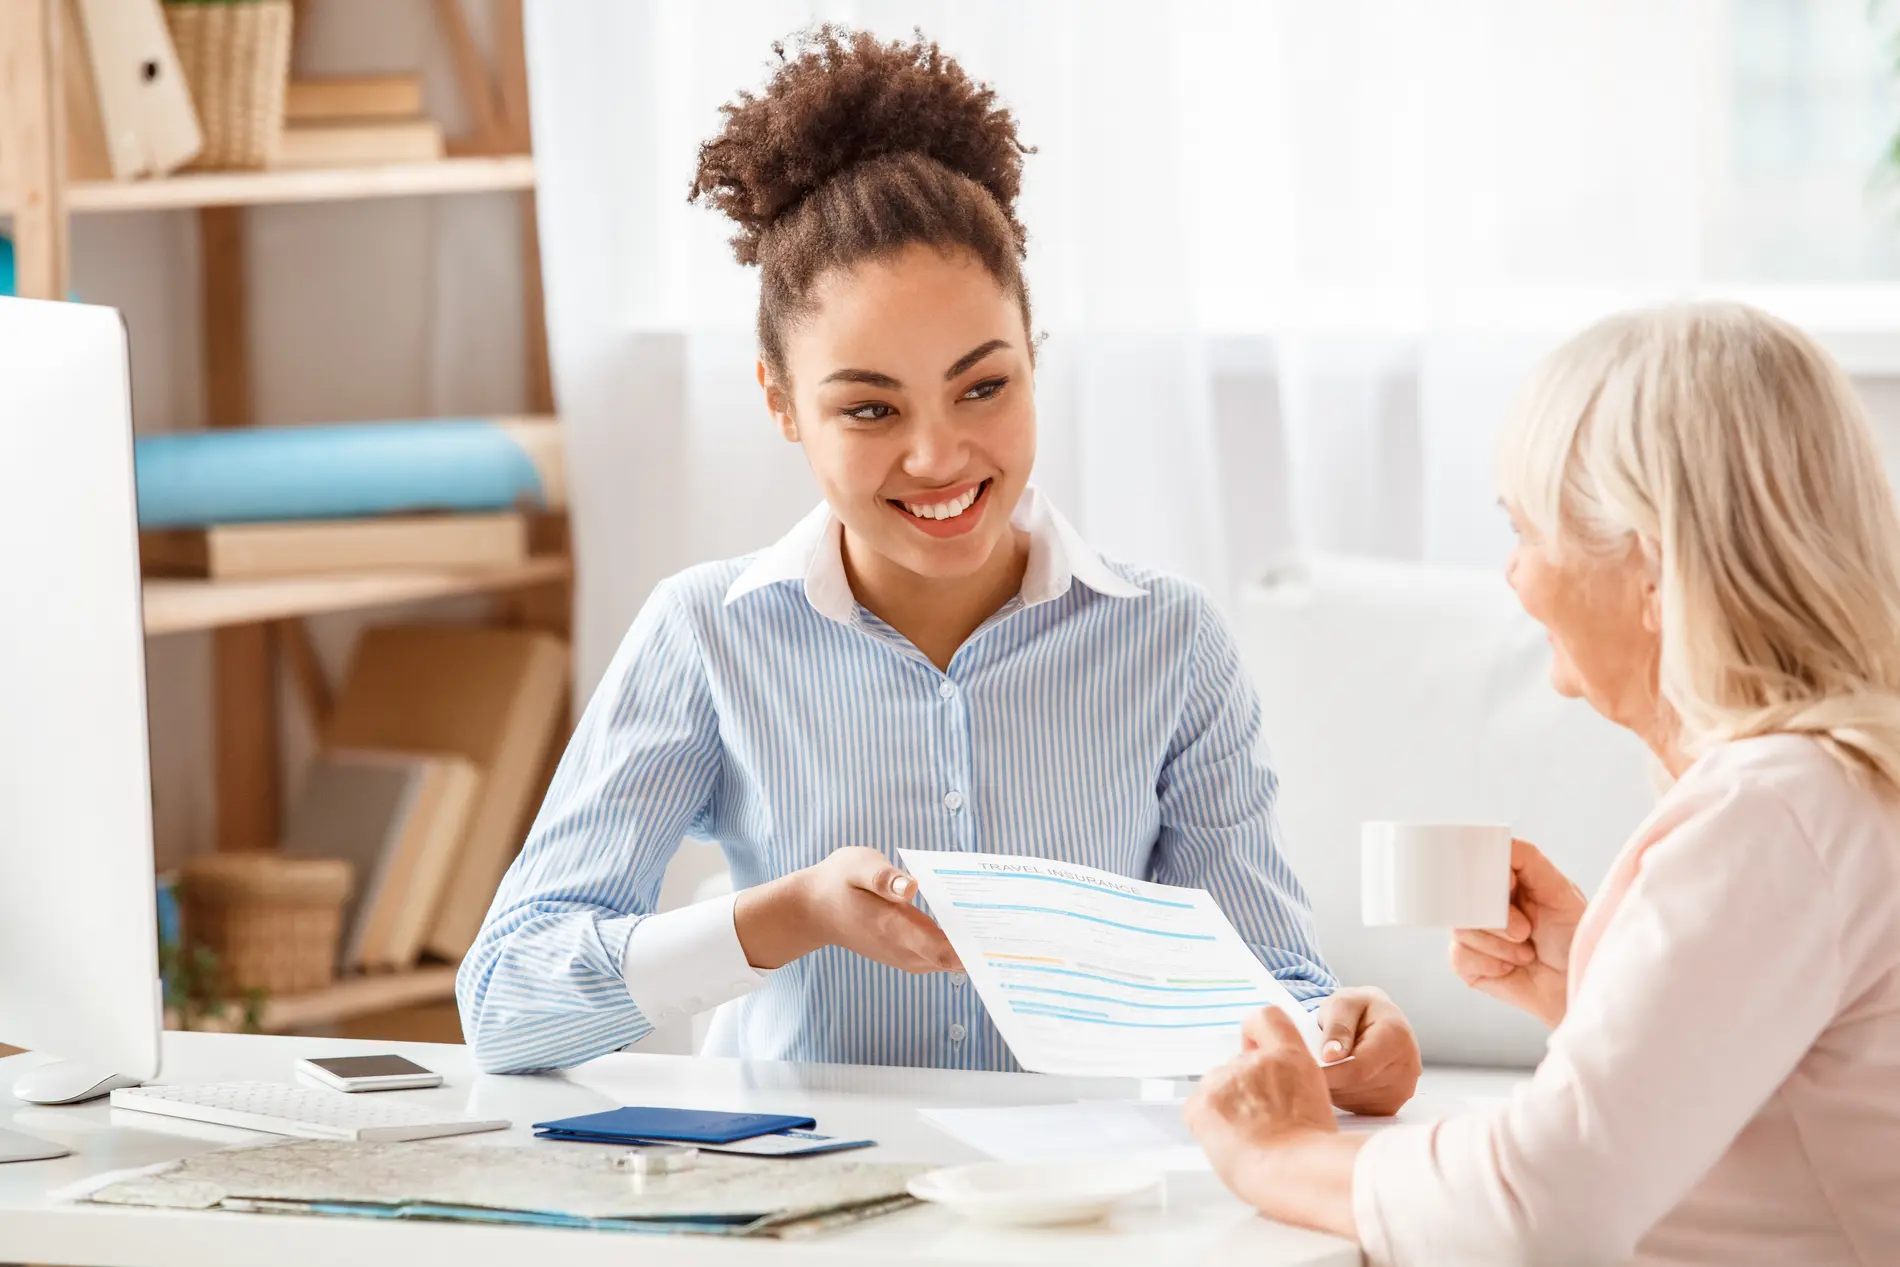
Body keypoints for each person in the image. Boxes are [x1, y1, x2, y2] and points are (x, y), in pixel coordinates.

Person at [455, 27, 1419, 1109]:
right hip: (797, 1195)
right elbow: (503, 1004)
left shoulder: (1167, 642)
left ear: (1034, 354)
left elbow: (1266, 994)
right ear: (780, 401)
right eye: (870, 407)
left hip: (1076, 1206)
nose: (938, 457)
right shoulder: (706, 635)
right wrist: (793, 914)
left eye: (982, 388)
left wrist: (1342, 1043)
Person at [1184, 301, 1900, 1264]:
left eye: (1527, 532)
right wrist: (1599, 988)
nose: (1515, 580)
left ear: (1652, 563)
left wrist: (1286, 1154)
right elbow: (1789, 1116)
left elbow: (1540, 1208)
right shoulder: (1832, 788)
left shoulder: (1773, 810)